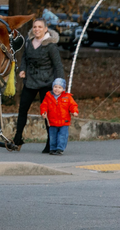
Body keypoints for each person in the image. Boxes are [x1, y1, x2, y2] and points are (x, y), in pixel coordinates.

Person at [12, 18, 64, 152]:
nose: (37, 29)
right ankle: (17, 139)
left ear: (45, 29)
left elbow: (58, 66)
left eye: (40, 27)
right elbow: (24, 57)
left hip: (46, 83)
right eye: (35, 27)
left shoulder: (51, 46)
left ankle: (50, 144)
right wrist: (22, 69)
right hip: (30, 82)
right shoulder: (29, 43)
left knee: (47, 114)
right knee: (22, 110)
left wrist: (60, 84)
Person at [38, 78, 79, 156]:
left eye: (59, 87)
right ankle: (52, 148)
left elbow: (73, 105)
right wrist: (43, 112)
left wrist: (74, 111)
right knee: (52, 136)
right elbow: (44, 105)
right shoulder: (48, 96)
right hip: (52, 121)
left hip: (64, 122)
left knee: (62, 136)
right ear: (52, 87)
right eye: (55, 87)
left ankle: (60, 148)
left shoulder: (67, 97)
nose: (57, 89)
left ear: (63, 89)